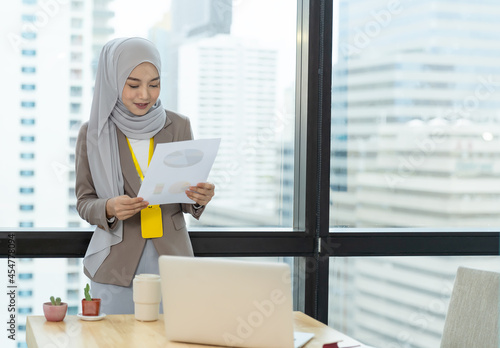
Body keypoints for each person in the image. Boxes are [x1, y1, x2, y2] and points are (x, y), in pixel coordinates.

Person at [75, 37, 214, 314]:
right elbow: (84, 202)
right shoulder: (94, 132)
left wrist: (200, 198)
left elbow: (186, 198)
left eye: (154, 84)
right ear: (113, 81)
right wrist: (109, 207)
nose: (145, 95)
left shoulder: (178, 126)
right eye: (133, 84)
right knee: (115, 341)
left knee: (174, 338)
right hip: (117, 262)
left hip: (172, 258)